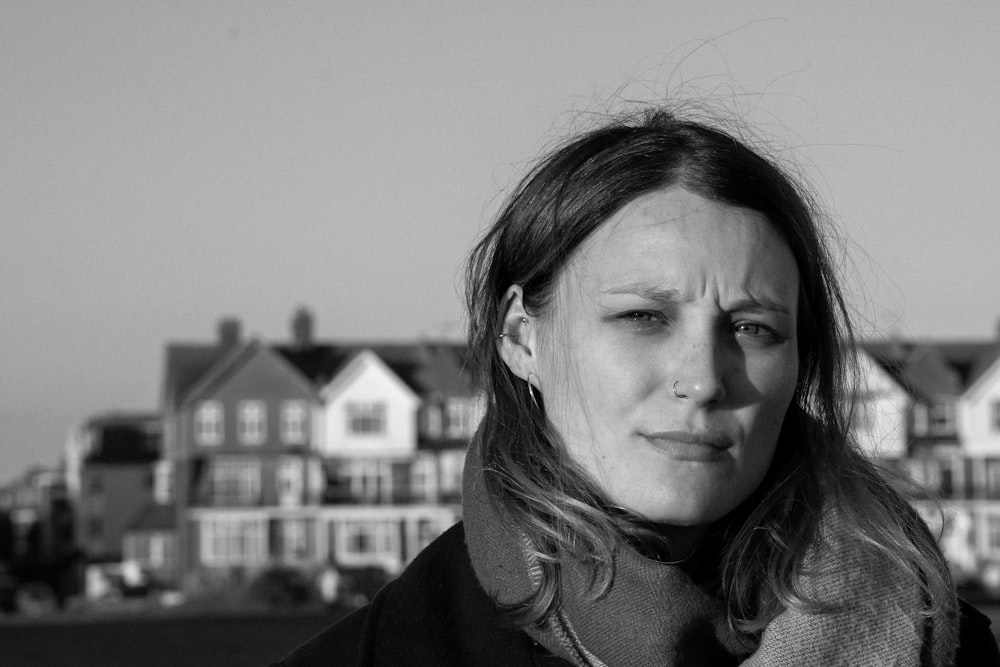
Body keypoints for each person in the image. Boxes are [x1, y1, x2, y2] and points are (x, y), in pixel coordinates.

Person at [272, 108, 999, 666]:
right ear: (523, 338)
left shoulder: (946, 644)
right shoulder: (390, 652)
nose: (705, 379)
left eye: (752, 328)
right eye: (643, 316)